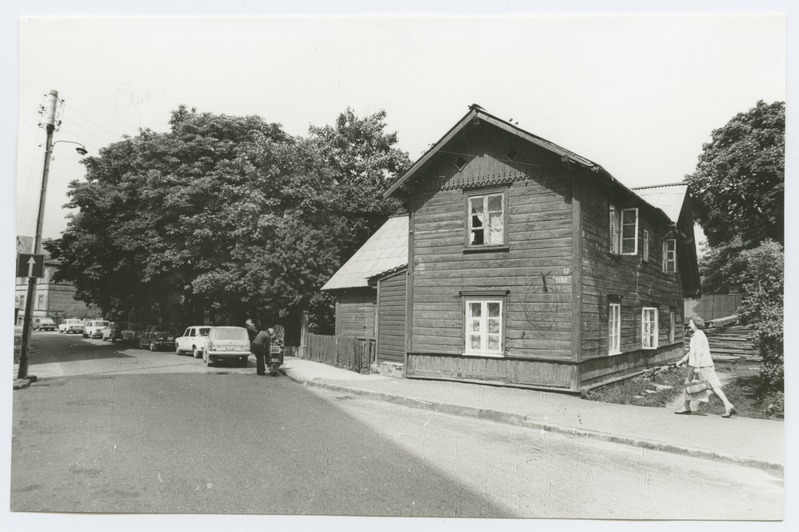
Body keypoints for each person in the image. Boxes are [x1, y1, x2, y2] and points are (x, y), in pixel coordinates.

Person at [674, 316, 736, 417]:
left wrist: (697, 367)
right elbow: (692, 351)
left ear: (696, 324)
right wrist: (683, 360)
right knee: (691, 384)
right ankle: (686, 406)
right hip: (698, 365)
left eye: (690, 323)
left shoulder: (698, 336)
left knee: (712, 386)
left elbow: (699, 353)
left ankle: (728, 405)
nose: (689, 325)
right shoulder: (696, 335)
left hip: (701, 365)